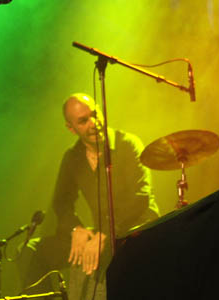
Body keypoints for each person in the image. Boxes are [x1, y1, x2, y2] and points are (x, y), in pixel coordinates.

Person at [18, 93, 159, 299]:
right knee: (30, 251)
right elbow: (61, 202)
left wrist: (105, 233)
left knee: (98, 258)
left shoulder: (128, 143)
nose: (94, 123)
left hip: (134, 230)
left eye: (95, 114)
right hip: (101, 234)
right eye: (83, 121)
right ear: (71, 128)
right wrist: (76, 229)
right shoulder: (72, 157)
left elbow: (140, 198)